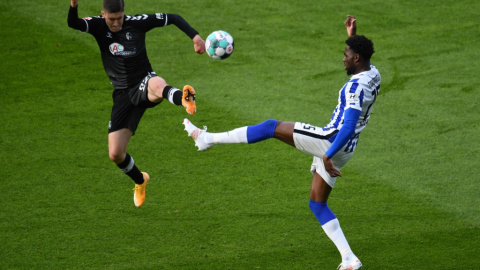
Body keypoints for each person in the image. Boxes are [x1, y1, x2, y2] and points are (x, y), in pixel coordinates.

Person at [183, 15, 379, 270]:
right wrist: (353, 35)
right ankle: (348, 258)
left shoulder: (354, 89)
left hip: (331, 140)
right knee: (317, 203)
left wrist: (327, 155)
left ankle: (207, 139)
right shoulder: (373, 73)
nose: (343, 57)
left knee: (270, 127)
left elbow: (349, 124)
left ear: (356, 59)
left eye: (346, 53)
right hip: (347, 148)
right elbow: (363, 59)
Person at [68, 0, 205, 207]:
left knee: (157, 84)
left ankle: (184, 99)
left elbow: (174, 18)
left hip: (143, 81)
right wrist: (73, 6)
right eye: (111, 19)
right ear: (103, 14)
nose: (116, 23)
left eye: (119, 18)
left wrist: (195, 37)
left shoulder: (137, 23)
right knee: (115, 154)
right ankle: (140, 180)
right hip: (123, 95)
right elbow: (74, 23)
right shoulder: (97, 25)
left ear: (124, 12)